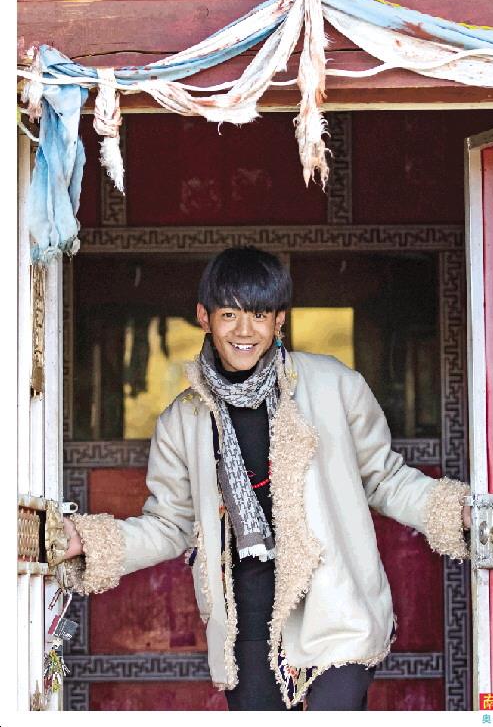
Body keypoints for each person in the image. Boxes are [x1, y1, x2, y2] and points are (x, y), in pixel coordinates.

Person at [59, 246, 471, 711]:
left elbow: (385, 479)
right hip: (247, 623)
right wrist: (87, 542)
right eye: (229, 314)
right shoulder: (183, 420)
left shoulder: (335, 385)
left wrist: (455, 512)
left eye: (259, 315)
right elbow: (170, 525)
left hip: (336, 606)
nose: (244, 331)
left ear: (279, 320)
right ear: (204, 317)